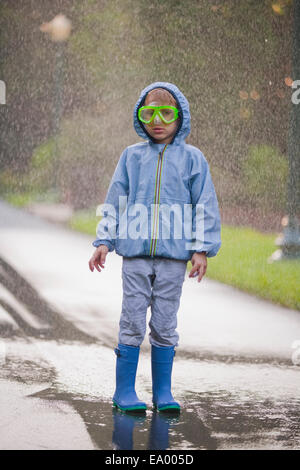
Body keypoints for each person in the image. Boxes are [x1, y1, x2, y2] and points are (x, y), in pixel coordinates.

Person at [89, 82, 221, 413]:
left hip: (174, 260)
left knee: (165, 322)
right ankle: (124, 392)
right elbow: (116, 199)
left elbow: (204, 204)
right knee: (132, 319)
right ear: (140, 116)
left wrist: (201, 248)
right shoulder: (131, 157)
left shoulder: (193, 160)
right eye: (149, 113)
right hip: (134, 256)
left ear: (181, 117)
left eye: (166, 113)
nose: (157, 120)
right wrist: (105, 240)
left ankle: (163, 392)